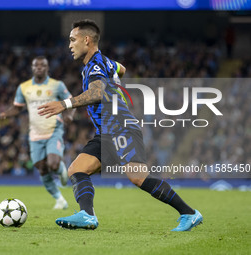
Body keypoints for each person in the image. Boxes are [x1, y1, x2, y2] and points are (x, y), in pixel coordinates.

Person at [38, 20, 203, 230]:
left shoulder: (95, 66)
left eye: (73, 40)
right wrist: (115, 82)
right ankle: (87, 215)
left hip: (120, 126)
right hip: (107, 131)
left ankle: (189, 213)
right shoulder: (104, 62)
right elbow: (121, 69)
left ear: (86, 40)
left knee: (138, 177)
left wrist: (65, 104)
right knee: (77, 169)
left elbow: (97, 92)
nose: (69, 45)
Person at [0, 56, 73, 210]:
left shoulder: (57, 85)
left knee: (52, 163)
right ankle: (59, 199)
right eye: (36, 65)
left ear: (47, 68)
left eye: (42, 65)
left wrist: (69, 115)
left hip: (54, 130)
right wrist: (6, 113)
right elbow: (17, 107)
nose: (39, 67)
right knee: (42, 168)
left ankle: (61, 170)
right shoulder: (24, 87)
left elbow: (70, 100)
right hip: (35, 134)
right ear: (32, 68)